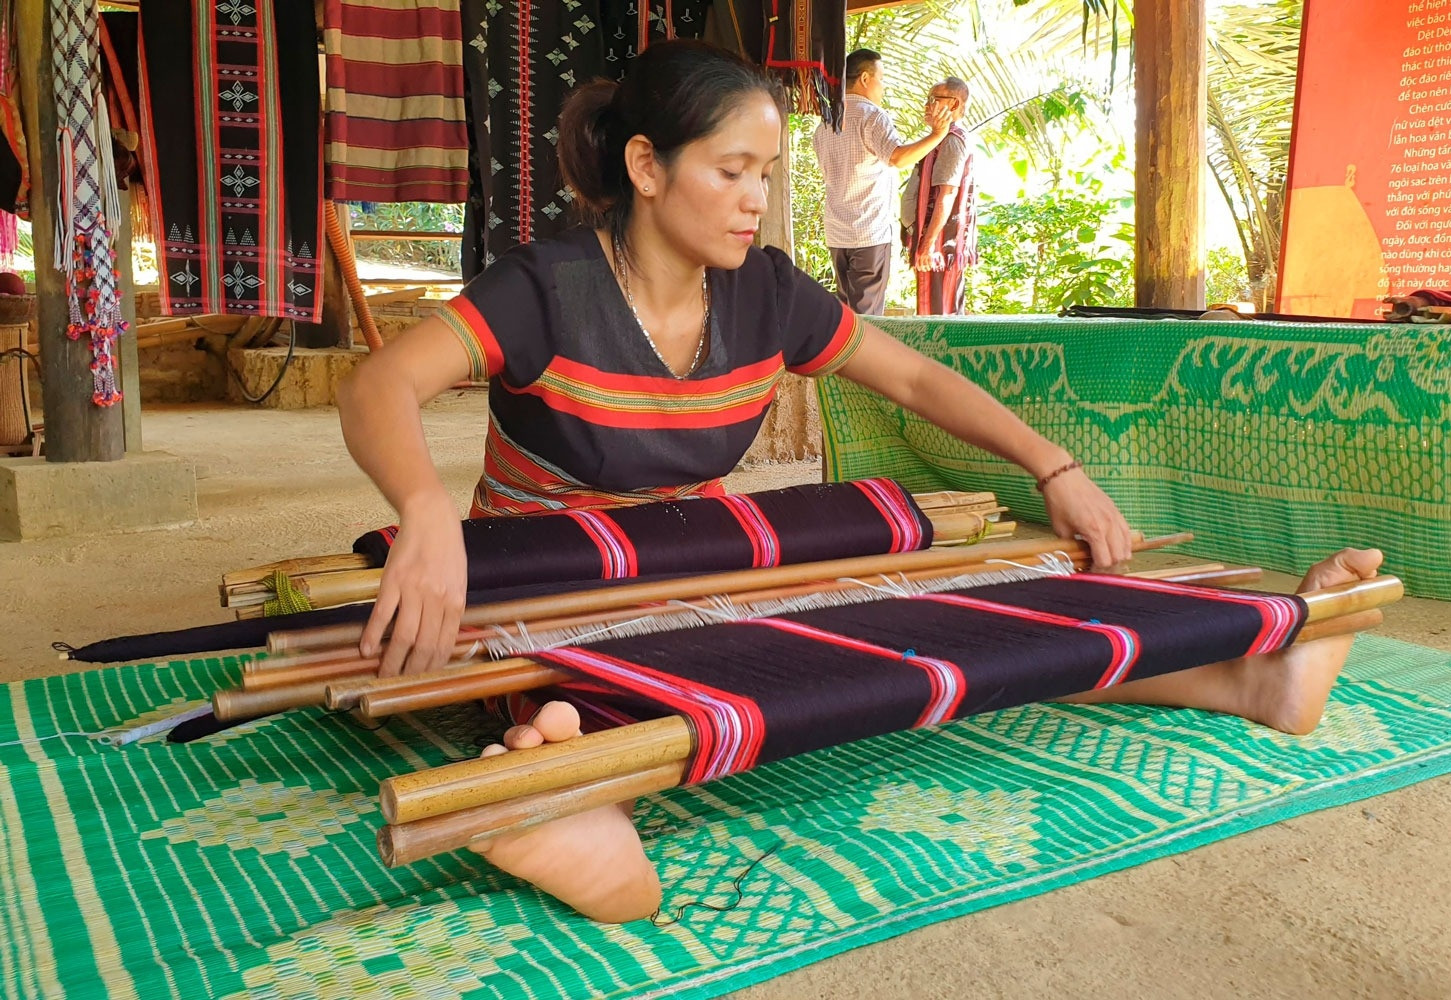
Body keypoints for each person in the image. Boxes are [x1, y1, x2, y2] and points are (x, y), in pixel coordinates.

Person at [336, 41, 1384, 924]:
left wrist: (1054, 467)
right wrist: (426, 514)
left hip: (695, 558)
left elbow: (916, 378)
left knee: (921, 608)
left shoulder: (767, 297)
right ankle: (562, 776)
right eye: (732, 171)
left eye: (768, 175)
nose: (757, 202)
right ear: (647, 167)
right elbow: (382, 382)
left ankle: (1249, 675)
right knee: (607, 656)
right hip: (545, 574)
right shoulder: (548, 290)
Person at [812, 49, 954, 316]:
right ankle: (860, 360)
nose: (884, 87)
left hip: (837, 232)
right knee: (867, 321)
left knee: (846, 317)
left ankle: (842, 359)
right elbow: (897, 158)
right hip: (869, 232)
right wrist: (937, 134)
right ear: (865, 78)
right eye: (882, 78)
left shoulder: (826, 122)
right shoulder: (872, 116)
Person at [900, 77, 977, 315]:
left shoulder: (952, 140)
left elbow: (947, 194)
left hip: (942, 245)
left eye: (933, 99)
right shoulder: (939, 138)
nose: (926, 105)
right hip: (934, 243)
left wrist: (929, 244)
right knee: (931, 312)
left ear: (954, 105)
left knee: (939, 316)